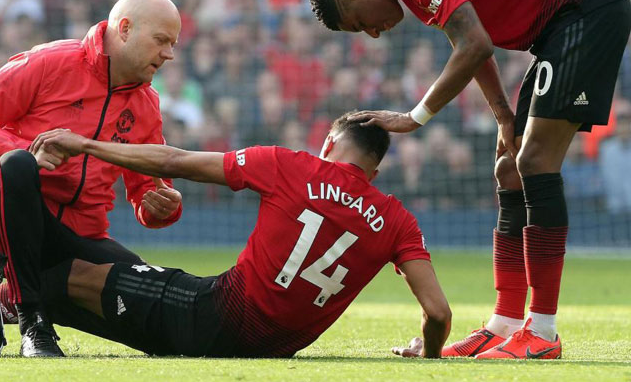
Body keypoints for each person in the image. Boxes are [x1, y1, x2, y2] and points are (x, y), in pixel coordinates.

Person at [309, 0, 631, 359]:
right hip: (559, 26)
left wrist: (414, 117)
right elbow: (469, 41)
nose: (374, 32)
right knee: (510, 168)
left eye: (360, 23)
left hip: (585, 10)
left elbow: (475, 45)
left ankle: (543, 331)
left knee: (534, 161)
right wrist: (503, 115)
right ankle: (505, 323)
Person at [28, 112, 451, 358]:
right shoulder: (398, 221)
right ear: (374, 172)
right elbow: (438, 314)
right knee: (75, 301)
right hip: (271, 347)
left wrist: (85, 145)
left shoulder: (290, 165)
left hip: (212, 314)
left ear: (328, 143)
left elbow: (175, 161)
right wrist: (429, 356)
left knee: (78, 274)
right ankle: (8, 306)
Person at [0, 0, 185, 357]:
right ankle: (32, 322)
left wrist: (164, 207)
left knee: (143, 292)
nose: (169, 54)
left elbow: (146, 193)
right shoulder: (49, 63)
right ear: (125, 29)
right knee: (17, 165)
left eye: (172, 44)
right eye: (161, 40)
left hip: (75, 240)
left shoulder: (146, 105)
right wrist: (27, 152)